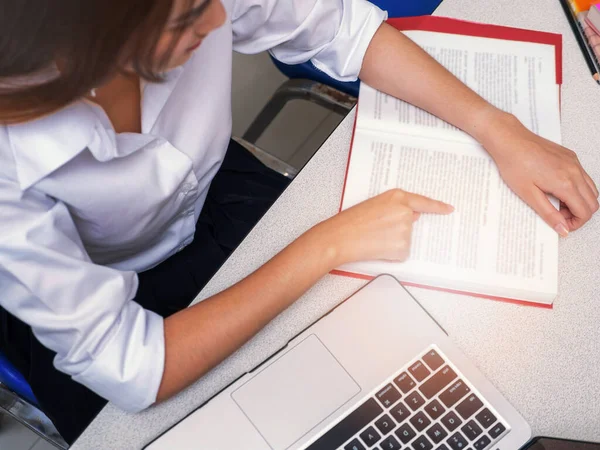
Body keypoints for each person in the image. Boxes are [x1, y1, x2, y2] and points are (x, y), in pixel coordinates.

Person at [0, 0, 597, 444]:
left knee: (398, 376)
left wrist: (499, 129)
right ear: (74, 53)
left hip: (213, 200)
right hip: (103, 315)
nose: (217, 23)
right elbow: (133, 367)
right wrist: (327, 244)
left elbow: (341, 29)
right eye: (184, 19)